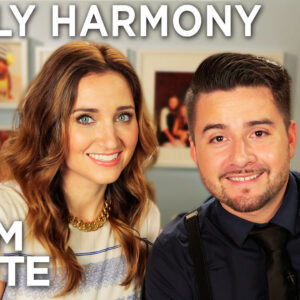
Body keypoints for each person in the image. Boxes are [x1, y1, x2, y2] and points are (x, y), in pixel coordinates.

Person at [0, 41, 161, 299]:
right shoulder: (8, 212)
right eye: (85, 118)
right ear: (49, 125)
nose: (110, 140)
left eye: (123, 116)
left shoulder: (142, 217)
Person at [145, 53, 300, 300]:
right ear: (195, 151)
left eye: (258, 133)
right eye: (218, 138)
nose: (240, 158)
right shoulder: (175, 255)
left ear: (290, 139)